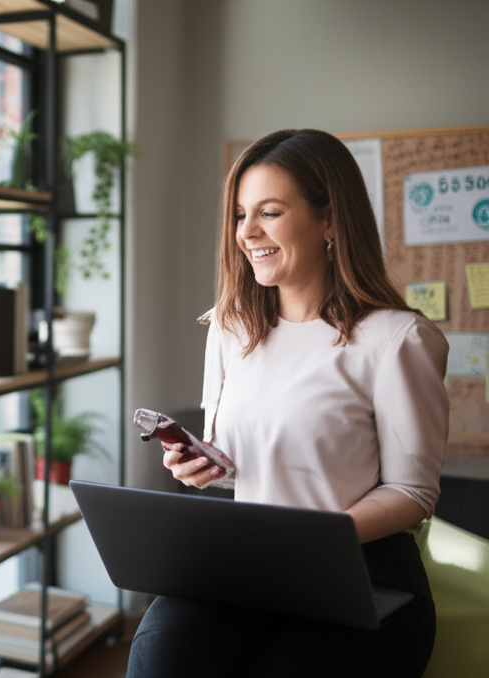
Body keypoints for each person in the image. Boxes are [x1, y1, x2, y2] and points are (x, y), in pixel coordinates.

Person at [126, 129, 449, 678]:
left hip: (364, 571)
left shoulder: (397, 339)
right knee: (159, 658)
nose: (247, 233)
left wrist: (316, 542)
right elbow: (240, 464)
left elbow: (413, 492)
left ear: (329, 222)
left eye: (269, 213)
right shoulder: (232, 328)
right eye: (239, 215)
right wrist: (200, 466)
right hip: (253, 563)